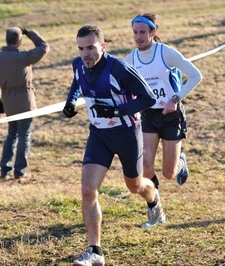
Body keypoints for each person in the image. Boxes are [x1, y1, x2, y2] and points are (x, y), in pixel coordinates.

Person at [63, 24, 162, 266]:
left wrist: (118, 110)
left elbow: (149, 97)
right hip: (99, 135)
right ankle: (95, 251)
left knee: (135, 186)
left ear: (103, 46)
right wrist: (71, 101)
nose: (85, 54)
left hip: (127, 134)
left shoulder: (118, 68)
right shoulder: (79, 64)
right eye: (81, 49)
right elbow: (77, 83)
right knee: (88, 189)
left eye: (90, 48)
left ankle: (154, 198)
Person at [124, 14, 203, 227]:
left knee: (169, 173)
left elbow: (196, 75)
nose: (138, 37)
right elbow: (124, 87)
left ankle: (180, 161)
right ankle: (156, 211)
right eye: (135, 32)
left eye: (142, 32)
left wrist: (175, 99)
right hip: (148, 116)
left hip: (171, 116)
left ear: (152, 32)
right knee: (146, 166)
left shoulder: (165, 53)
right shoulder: (130, 59)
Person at [0, 27, 50, 181]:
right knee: (24, 136)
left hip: (8, 103)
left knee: (11, 135)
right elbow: (44, 47)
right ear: (19, 41)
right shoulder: (23, 57)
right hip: (25, 103)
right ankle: (20, 172)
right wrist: (30, 32)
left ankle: (5, 169)